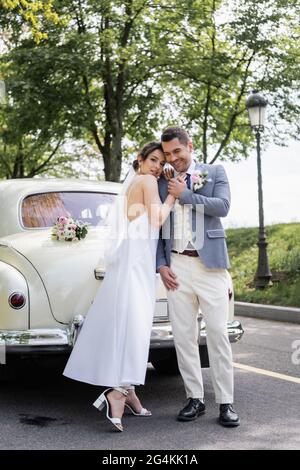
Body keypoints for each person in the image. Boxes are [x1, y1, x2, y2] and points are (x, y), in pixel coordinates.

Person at [63, 141, 175, 432]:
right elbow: (158, 218)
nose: (157, 167)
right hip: (136, 265)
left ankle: (132, 394)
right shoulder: (148, 181)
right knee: (134, 329)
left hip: (129, 263)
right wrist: (173, 197)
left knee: (129, 326)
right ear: (139, 159)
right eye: (152, 159)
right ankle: (116, 394)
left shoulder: (130, 185)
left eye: (161, 163)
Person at [156, 126, 240, 427]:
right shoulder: (161, 182)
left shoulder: (215, 172)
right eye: (167, 154)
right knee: (183, 337)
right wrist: (161, 264)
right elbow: (158, 227)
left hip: (211, 267)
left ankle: (226, 403)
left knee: (217, 334)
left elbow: (224, 207)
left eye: (177, 152)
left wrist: (187, 195)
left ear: (189, 147)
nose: (173, 158)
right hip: (177, 268)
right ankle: (194, 398)